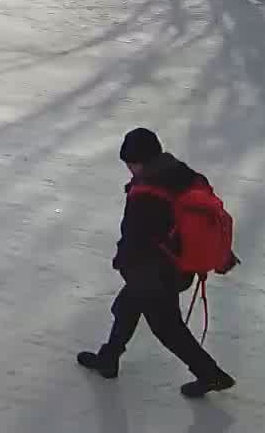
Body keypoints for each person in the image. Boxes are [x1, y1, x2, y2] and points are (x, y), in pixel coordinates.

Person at [78, 128, 236, 398]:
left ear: (141, 160)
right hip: (179, 266)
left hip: (155, 273)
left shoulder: (146, 194)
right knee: (127, 306)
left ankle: (211, 375)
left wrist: (122, 261)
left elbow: (134, 237)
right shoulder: (185, 175)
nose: (129, 168)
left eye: (130, 163)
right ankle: (109, 358)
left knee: (167, 328)